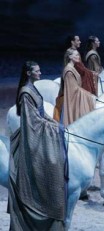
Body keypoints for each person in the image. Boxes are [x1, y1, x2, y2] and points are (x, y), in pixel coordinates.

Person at [8, 61, 68, 230]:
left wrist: (55, 124)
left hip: (41, 127)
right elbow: (32, 121)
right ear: (28, 73)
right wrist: (51, 128)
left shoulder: (33, 88)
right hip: (32, 136)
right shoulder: (26, 93)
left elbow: (41, 113)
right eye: (37, 71)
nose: (40, 73)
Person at [54, 48, 96, 126]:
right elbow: (73, 90)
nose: (78, 57)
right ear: (70, 57)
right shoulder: (69, 71)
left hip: (77, 96)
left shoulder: (72, 68)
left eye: (78, 55)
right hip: (73, 100)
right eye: (76, 55)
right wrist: (88, 95)